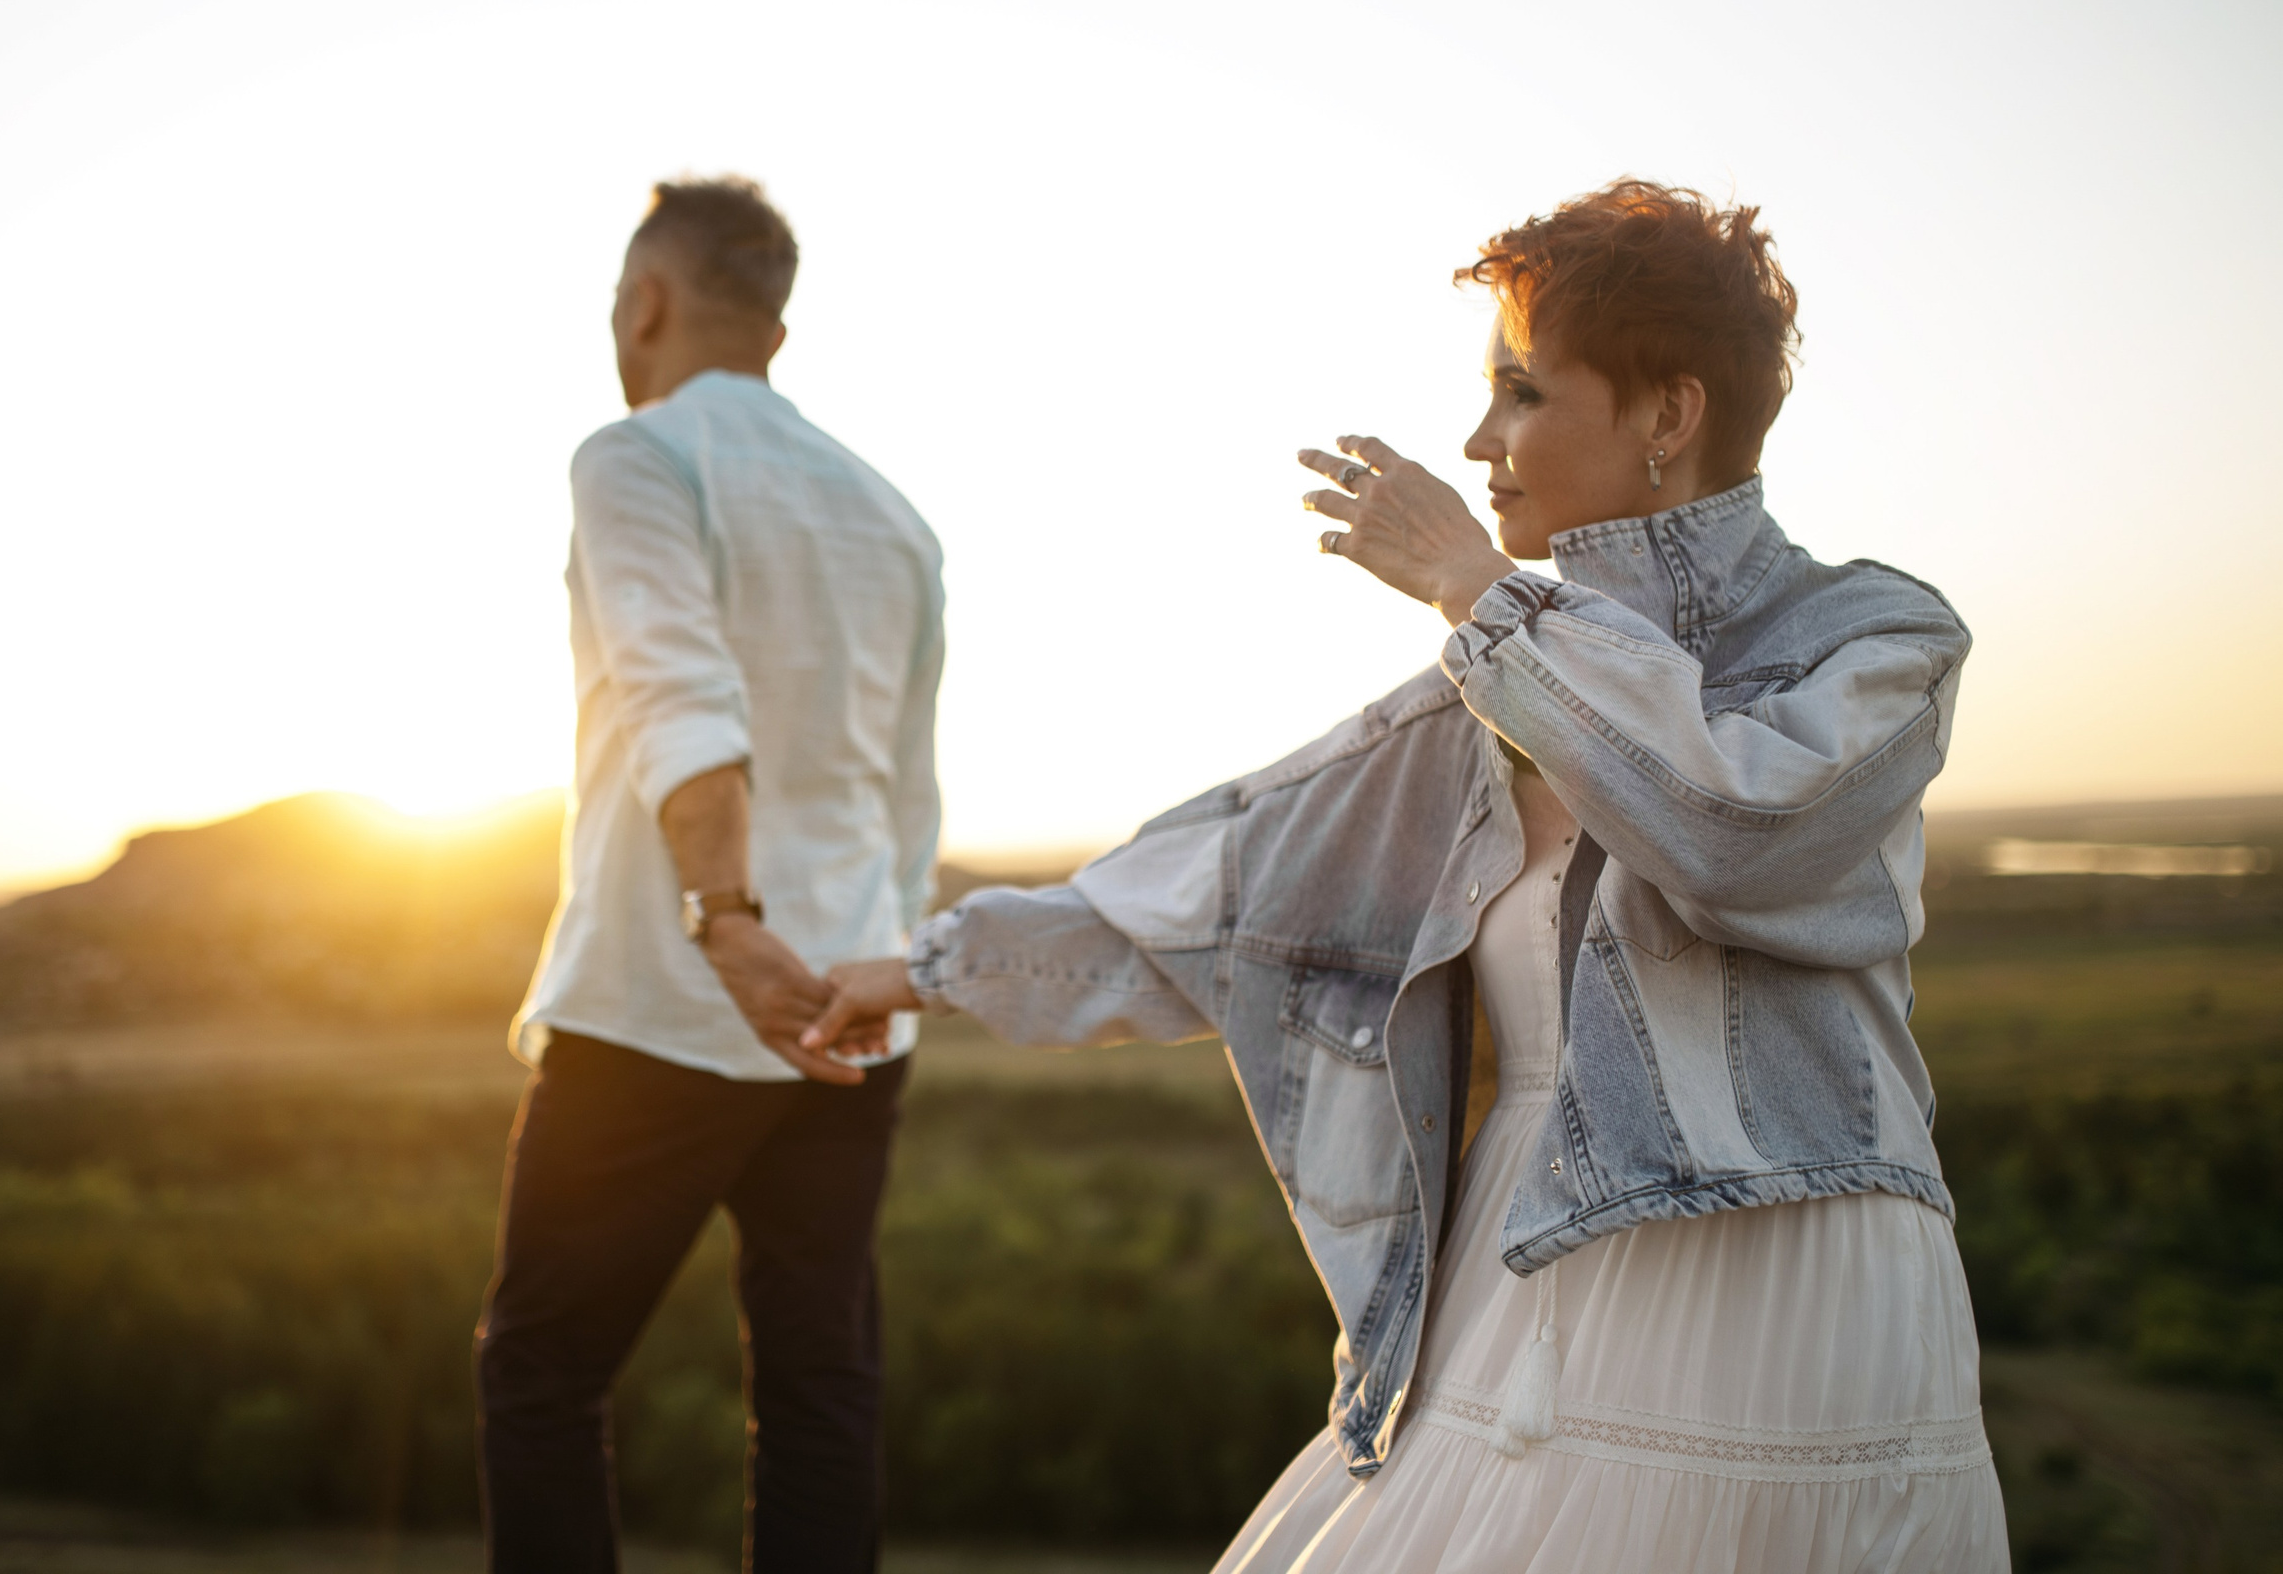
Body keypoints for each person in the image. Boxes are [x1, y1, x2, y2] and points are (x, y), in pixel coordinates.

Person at [810, 181, 2004, 1571]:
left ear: (1669, 416)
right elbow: (1223, 900)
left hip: (1799, 1281)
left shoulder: (1873, 638)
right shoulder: (1476, 702)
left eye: (1521, 392)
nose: (1478, 441)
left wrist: (1476, 587)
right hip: (1526, 1255)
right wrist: (910, 973)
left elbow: (1735, 831)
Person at [478, 177, 944, 1574]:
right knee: (820, 1385)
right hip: (853, 1009)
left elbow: (684, 699)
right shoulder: (893, 515)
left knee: (542, 1372)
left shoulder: (635, 460)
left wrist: (727, 922)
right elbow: (906, 795)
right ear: (776, 331)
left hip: (665, 1002)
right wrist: (887, 973)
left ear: (645, 304)